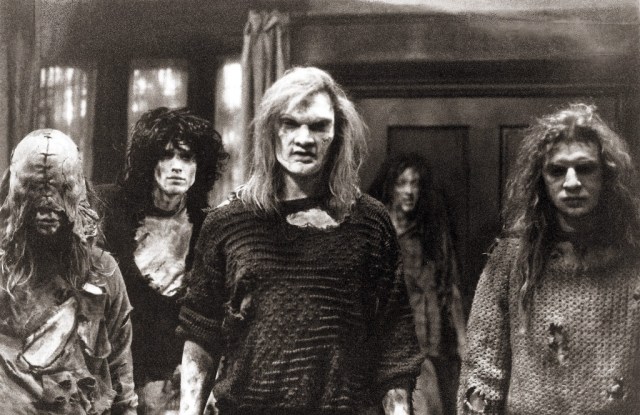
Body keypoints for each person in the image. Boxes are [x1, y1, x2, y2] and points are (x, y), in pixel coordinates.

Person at [177, 66, 422, 415]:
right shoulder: (227, 222)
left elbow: (394, 341)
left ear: (337, 133)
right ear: (270, 130)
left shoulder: (369, 222)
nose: (304, 139)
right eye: (290, 124)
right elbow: (201, 333)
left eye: (319, 126)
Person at [457, 103, 640, 414]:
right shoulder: (510, 261)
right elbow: (482, 373)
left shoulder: (633, 260)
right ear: (541, 179)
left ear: (606, 174)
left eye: (585, 168)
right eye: (557, 170)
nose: (572, 182)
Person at [96, 107, 227, 414]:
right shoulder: (110, 212)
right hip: (117, 379)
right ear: (148, 162)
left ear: (200, 165)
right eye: (166, 155)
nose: (176, 166)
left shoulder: (211, 226)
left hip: (182, 387)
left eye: (187, 157)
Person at [0, 129, 137, 414]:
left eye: (61, 191)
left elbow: (120, 369)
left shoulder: (101, 270)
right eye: (34, 189)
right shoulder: (3, 270)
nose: (47, 208)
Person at [371, 154, 466, 415]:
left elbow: (450, 285)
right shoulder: (376, 229)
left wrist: (462, 339)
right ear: (390, 187)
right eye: (402, 183)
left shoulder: (430, 231)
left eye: (415, 183)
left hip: (427, 340)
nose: (409, 191)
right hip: (387, 343)